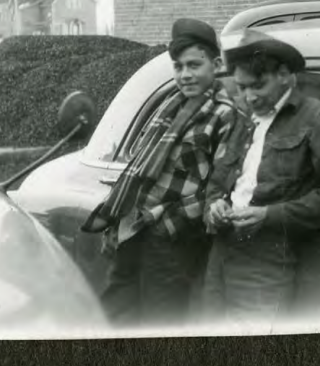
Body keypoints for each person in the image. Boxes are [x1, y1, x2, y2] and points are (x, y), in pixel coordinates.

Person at [81, 18, 251, 327]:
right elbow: (139, 169)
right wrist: (119, 221)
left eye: (194, 65)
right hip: (132, 231)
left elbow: (220, 189)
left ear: (215, 63)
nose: (185, 74)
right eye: (178, 66)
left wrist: (164, 223)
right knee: (115, 317)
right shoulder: (171, 105)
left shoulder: (226, 114)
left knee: (160, 324)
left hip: (173, 241)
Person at [201, 29, 320, 327]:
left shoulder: (316, 117)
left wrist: (269, 215)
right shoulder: (240, 116)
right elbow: (218, 183)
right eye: (242, 87)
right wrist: (214, 207)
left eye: (258, 85)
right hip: (220, 255)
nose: (249, 96)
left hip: (266, 261)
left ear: (285, 74)